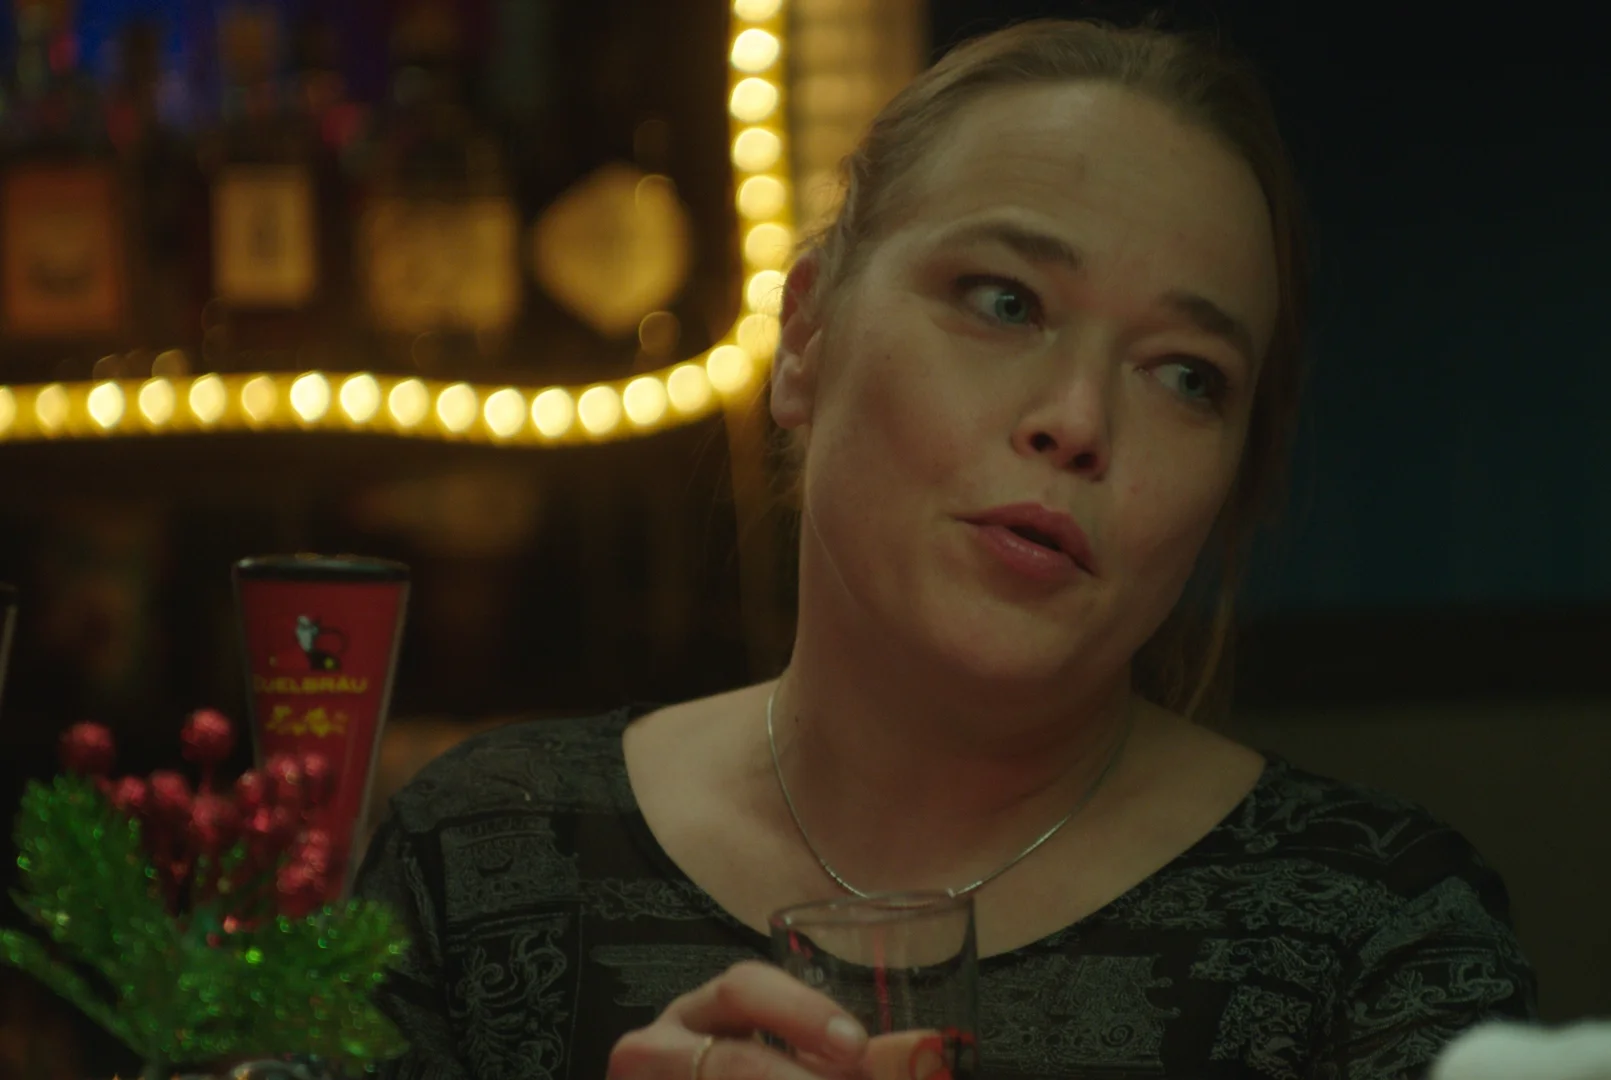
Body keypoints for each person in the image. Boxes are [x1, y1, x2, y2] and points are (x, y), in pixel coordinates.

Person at [354, 18, 1537, 1080]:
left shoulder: (1377, 937)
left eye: (1186, 375)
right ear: (805, 336)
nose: (1077, 421)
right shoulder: (481, 862)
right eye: (1005, 302)